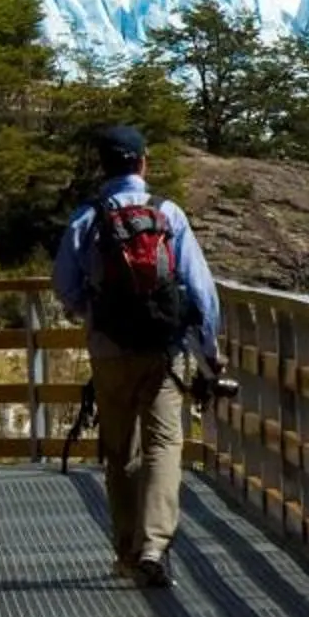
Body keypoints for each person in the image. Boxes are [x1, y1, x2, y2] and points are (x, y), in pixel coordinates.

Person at [52, 124, 221, 588]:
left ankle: (127, 551)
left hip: (108, 349)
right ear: (143, 163)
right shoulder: (169, 213)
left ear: (104, 166)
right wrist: (210, 351)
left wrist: (92, 311)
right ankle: (154, 545)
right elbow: (202, 292)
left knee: (119, 448)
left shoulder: (87, 217)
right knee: (164, 444)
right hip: (165, 349)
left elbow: (65, 284)